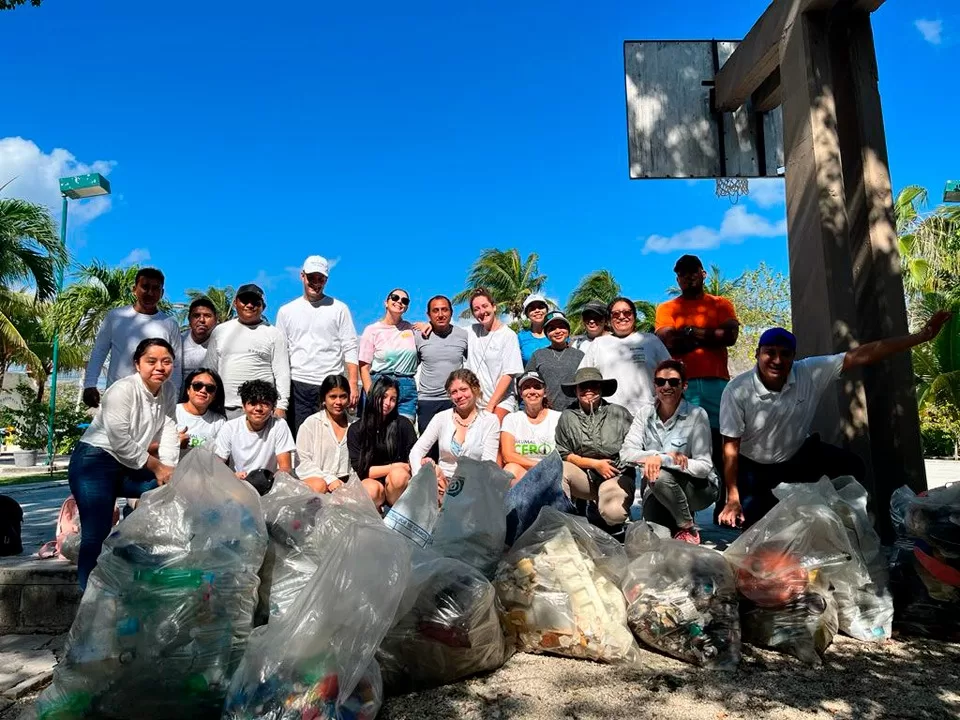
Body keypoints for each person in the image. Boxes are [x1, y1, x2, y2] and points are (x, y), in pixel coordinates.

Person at [718, 311, 952, 529]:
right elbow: (730, 447)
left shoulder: (809, 371)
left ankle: (832, 521)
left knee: (852, 466)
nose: (777, 360)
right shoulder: (737, 390)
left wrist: (921, 337)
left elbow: (861, 354)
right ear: (757, 354)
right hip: (753, 467)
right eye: (770, 352)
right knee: (754, 527)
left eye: (785, 354)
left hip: (795, 457)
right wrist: (733, 497)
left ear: (793, 357)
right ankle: (744, 502)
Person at [69, 338, 179, 589]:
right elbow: (119, 440)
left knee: (170, 489)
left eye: (167, 361)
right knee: (95, 535)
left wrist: (169, 469)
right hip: (94, 462)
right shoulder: (122, 390)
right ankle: (88, 600)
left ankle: (137, 578)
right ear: (137, 364)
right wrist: (158, 467)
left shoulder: (169, 390)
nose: (160, 367)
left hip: (126, 464)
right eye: (151, 361)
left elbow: (169, 428)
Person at [655, 254, 739, 521]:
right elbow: (669, 342)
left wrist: (689, 333)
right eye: (682, 273)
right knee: (682, 443)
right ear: (677, 279)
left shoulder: (721, 304)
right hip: (683, 385)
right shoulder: (666, 308)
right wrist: (708, 335)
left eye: (693, 272)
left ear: (703, 274)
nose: (688, 277)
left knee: (723, 440)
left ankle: (725, 505)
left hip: (717, 383)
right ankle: (684, 509)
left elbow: (730, 336)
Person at [621, 359, 718, 544]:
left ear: (684, 386)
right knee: (658, 541)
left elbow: (704, 467)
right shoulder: (644, 413)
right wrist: (659, 457)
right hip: (656, 491)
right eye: (660, 382)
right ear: (654, 385)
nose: (666, 386)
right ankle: (673, 519)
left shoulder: (697, 415)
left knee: (660, 475)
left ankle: (687, 524)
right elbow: (626, 453)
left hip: (697, 489)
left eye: (673, 382)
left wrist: (664, 461)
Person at [276, 256, 360, 437]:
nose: (315, 283)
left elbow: (350, 347)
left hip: (331, 383)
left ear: (326, 280)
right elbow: (280, 354)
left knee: (332, 436)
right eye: (311, 277)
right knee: (300, 438)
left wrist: (353, 383)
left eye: (320, 278)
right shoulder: (286, 311)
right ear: (302, 276)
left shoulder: (339, 308)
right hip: (298, 385)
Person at [82, 268, 182, 408]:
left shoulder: (170, 324)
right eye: (145, 287)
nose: (150, 293)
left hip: (155, 402)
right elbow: (99, 351)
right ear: (135, 289)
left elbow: (175, 364)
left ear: (162, 293)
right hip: (117, 398)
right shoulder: (115, 317)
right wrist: (90, 384)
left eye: (155, 288)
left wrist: (173, 399)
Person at [555, 367, 635, 529]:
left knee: (614, 513)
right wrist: (595, 464)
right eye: (583, 386)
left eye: (594, 385)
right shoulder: (567, 416)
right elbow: (564, 453)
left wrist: (615, 467)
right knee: (558, 470)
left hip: (616, 475)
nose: (588, 390)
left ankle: (607, 512)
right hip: (584, 477)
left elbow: (634, 446)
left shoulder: (619, 413)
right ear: (576, 390)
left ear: (602, 389)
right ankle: (565, 524)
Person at [203, 283, 290, 420]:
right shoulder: (220, 331)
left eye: (255, 302)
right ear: (235, 303)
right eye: (244, 300)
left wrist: (281, 406)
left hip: (260, 409)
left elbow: (282, 373)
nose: (249, 305)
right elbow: (209, 370)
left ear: (263, 307)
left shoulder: (274, 334)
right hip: (224, 409)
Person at [410, 369, 501, 497]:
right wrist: (418, 478)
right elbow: (416, 451)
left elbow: (489, 465)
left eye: (464, 389)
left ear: (475, 389)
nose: (459, 395)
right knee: (429, 468)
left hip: (474, 484)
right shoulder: (441, 418)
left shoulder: (490, 421)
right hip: (442, 481)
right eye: (454, 392)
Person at [579, 297, 671, 416]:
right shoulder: (598, 343)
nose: (622, 317)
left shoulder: (651, 340)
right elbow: (582, 379)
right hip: (609, 417)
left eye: (627, 312)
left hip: (649, 414)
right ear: (609, 319)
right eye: (616, 314)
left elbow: (671, 373)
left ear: (634, 316)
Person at [347, 375, 418, 509]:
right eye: (384, 397)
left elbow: (413, 458)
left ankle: (395, 511)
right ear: (374, 395)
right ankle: (377, 512)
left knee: (399, 476)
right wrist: (394, 466)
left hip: (397, 485)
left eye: (393, 399)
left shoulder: (403, 424)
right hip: (372, 481)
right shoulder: (357, 429)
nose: (387, 403)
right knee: (370, 489)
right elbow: (361, 471)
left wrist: (399, 468)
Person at [415, 295, 469, 459]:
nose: (440, 314)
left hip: (455, 401)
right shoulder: (419, 336)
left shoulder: (463, 335)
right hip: (427, 402)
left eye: (444, 309)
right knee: (428, 452)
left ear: (451, 312)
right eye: (435, 310)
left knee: (453, 450)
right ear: (428, 315)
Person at [215, 379, 296, 480]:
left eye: (265, 403)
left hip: (269, 483)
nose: (258, 408)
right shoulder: (230, 428)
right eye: (253, 403)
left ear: (273, 407)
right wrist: (233, 477)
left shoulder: (279, 425)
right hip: (238, 483)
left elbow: (285, 468)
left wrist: (271, 481)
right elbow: (216, 465)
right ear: (243, 407)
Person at [358, 288, 419, 420]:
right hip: (379, 385)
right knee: (375, 434)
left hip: (406, 386)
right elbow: (364, 367)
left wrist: (428, 326)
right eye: (395, 297)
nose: (399, 302)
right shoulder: (372, 330)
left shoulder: (412, 329)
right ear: (386, 302)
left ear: (407, 307)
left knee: (404, 432)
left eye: (404, 300)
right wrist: (371, 395)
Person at [464, 288, 524, 422]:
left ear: (494, 307)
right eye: (476, 309)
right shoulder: (471, 331)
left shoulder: (508, 335)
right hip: (476, 402)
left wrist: (490, 407)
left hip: (501, 401)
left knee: (492, 430)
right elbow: (447, 330)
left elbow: (509, 374)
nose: (482, 312)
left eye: (485, 306)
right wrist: (427, 326)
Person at [295, 374, 355, 494]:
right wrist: (330, 480)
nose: (338, 402)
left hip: (347, 485)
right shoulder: (311, 424)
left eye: (343, 397)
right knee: (319, 485)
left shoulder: (356, 425)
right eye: (333, 397)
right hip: (319, 482)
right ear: (324, 399)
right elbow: (303, 462)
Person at [501, 372, 562, 485]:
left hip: (551, 473)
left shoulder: (558, 418)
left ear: (544, 392)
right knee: (510, 469)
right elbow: (507, 455)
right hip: (524, 472)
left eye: (537, 387)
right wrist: (538, 466)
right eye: (526, 387)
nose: (532, 391)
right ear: (521, 393)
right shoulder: (512, 419)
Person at [525, 311, 583, 410]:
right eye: (552, 329)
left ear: (568, 330)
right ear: (547, 334)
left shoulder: (580, 355)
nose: (557, 331)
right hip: (546, 412)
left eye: (561, 327)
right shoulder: (538, 355)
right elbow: (527, 384)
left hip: (575, 412)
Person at [175, 367, 227, 457]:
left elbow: (222, 457)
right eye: (197, 385)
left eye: (210, 388)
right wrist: (174, 443)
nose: (203, 390)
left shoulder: (220, 421)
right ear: (188, 389)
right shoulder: (171, 412)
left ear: (215, 395)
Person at [181, 297, 218, 381]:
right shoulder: (178, 342)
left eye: (207, 316)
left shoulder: (221, 343)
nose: (201, 320)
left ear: (216, 319)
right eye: (196, 315)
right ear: (189, 319)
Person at [517, 294, 552, 365]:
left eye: (540, 307)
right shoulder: (520, 337)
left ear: (547, 310)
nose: (537, 310)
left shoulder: (558, 333)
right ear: (527, 314)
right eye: (532, 309)